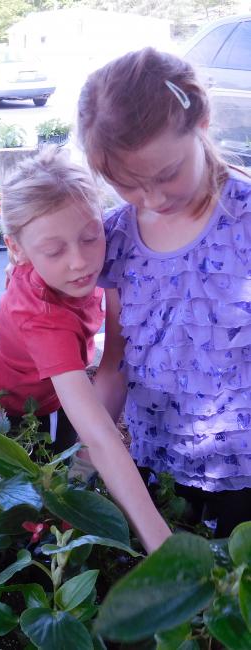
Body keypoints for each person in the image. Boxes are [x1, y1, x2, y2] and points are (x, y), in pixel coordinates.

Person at [78, 47, 251, 538]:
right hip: (160, 470)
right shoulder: (117, 239)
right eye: (127, 185)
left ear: (202, 120)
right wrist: (86, 463)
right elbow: (114, 363)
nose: (153, 198)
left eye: (166, 174)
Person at [0, 146, 171, 553]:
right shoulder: (43, 317)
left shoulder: (88, 249)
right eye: (55, 251)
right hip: (2, 399)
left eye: (90, 237)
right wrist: (163, 546)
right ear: (16, 247)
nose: (81, 262)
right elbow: (98, 433)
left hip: (56, 393)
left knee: (64, 475)